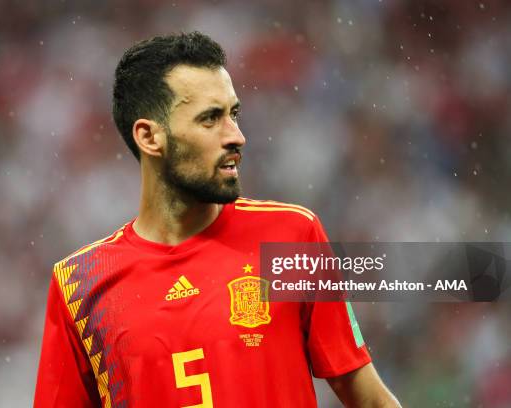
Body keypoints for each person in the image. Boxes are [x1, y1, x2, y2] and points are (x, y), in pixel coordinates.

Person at [35, 31, 400, 407]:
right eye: (210, 119)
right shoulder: (79, 286)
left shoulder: (292, 238)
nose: (237, 136)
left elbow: (370, 401)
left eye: (234, 114)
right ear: (149, 137)